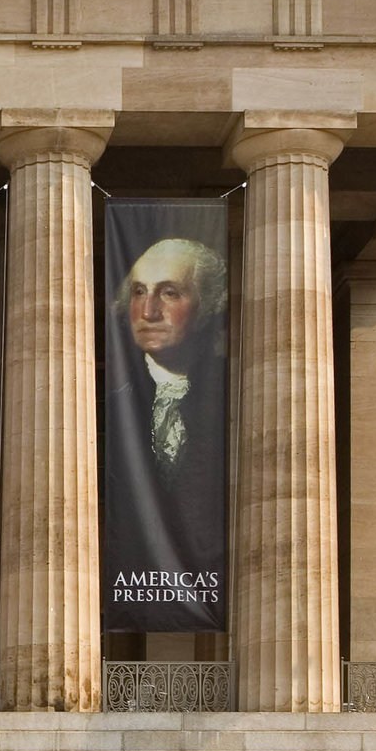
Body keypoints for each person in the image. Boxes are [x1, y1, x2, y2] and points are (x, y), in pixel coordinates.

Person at [106, 232, 229, 612]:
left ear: (208, 306)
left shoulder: (234, 397)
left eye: (170, 293)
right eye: (139, 292)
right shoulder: (102, 401)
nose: (148, 311)